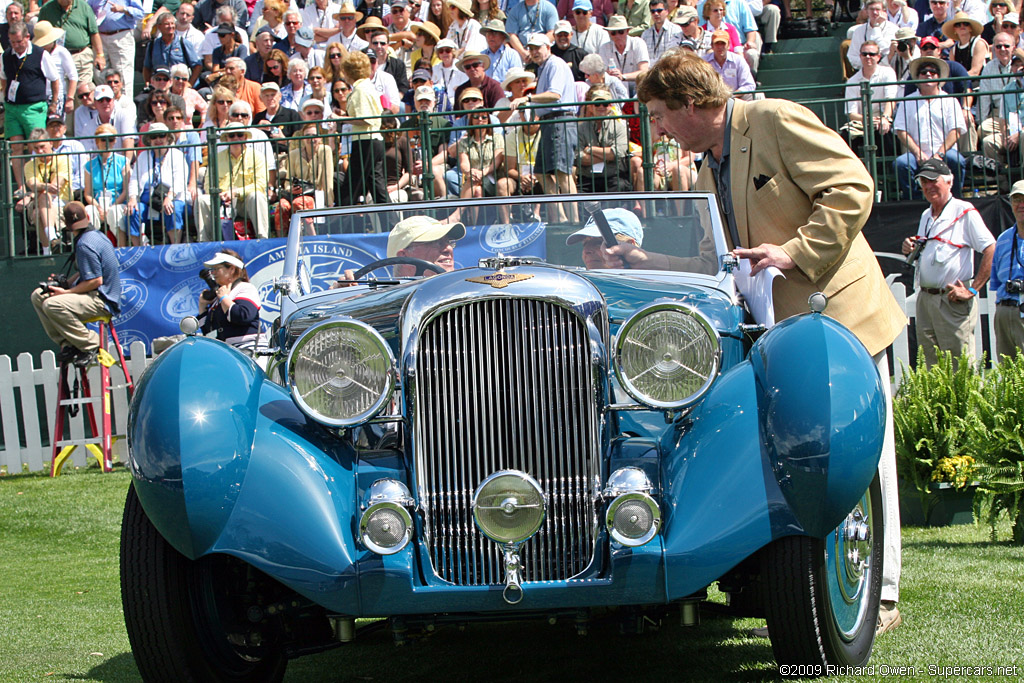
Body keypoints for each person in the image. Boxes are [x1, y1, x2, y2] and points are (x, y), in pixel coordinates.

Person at [632, 52, 907, 634]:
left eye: (658, 115)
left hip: (843, 321)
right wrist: (640, 260)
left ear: (689, 104)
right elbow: (722, 264)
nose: (655, 129)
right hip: (777, 337)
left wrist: (796, 252)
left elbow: (854, 186)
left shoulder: (775, 119)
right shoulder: (706, 171)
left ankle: (878, 595)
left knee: (865, 458)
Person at [901, 157, 995, 367]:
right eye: (923, 182)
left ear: (949, 181)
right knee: (931, 366)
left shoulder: (964, 211)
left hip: (951, 300)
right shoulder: (927, 214)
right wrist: (910, 246)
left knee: (960, 367)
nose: (928, 186)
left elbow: (991, 247)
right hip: (926, 299)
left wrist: (973, 290)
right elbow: (926, 247)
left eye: (933, 181)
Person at [31, 201, 121, 369]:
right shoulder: (96, 236)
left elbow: (95, 281)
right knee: (38, 295)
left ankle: (90, 344)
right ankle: (68, 343)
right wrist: (67, 283)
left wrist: (65, 293)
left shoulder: (84, 244)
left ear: (66, 224)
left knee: (52, 304)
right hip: (95, 294)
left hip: (102, 300)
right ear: (87, 217)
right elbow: (89, 271)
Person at [511, 33, 578, 220]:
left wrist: (528, 98)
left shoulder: (555, 64)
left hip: (560, 121)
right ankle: (563, 219)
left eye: (537, 48)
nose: (533, 52)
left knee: (563, 174)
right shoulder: (544, 67)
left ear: (548, 48)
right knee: (541, 172)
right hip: (550, 122)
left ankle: (575, 220)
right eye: (531, 48)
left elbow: (555, 95)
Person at [893, 56, 967, 199]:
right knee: (901, 163)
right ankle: (913, 201)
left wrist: (940, 154)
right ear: (917, 77)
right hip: (916, 155)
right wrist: (918, 152)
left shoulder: (950, 100)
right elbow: (901, 130)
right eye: (924, 72)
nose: (928, 74)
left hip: (945, 153)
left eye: (933, 72)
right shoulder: (907, 101)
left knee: (957, 160)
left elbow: (956, 130)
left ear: (939, 77)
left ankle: (956, 198)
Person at [2, 22, 61, 191]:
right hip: (13, 107)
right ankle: (22, 186)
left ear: (27, 37)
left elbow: (54, 79)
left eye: (19, 41)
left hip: (34, 106)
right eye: (12, 42)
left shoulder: (40, 54)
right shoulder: (6, 56)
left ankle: (40, 184)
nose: (16, 45)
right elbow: (3, 77)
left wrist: (54, 102)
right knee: (16, 147)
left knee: (37, 146)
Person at [332, 215, 466, 285]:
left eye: (449, 242)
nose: (448, 248)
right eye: (436, 242)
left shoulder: (468, 291)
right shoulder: (380, 301)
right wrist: (342, 296)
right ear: (404, 256)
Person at [197, 122, 270, 240]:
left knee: (257, 196)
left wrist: (237, 193)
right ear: (226, 139)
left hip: (245, 202)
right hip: (222, 203)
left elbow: (261, 184)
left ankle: (263, 240)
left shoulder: (258, 156)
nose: (236, 138)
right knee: (202, 200)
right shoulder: (216, 157)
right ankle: (205, 243)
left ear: (246, 137)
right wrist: (221, 195)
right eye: (232, 136)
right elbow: (208, 184)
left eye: (240, 135)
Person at [336, 50, 389, 205]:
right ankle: (391, 221)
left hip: (365, 142)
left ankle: (340, 221)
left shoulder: (360, 90)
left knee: (351, 185)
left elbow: (366, 120)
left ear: (348, 72)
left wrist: (341, 118)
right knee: (376, 186)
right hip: (372, 141)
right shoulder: (367, 87)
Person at [127, 124, 189, 244]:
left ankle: (175, 247)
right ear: (150, 140)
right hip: (146, 199)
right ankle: (138, 249)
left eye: (162, 135)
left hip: (172, 197)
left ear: (168, 138)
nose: (158, 140)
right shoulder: (143, 156)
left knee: (172, 208)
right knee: (133, 210)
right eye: (154, 137)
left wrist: (169, 197)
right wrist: (132, 198)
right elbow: (134, 179)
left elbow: (180, 180)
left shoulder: (176, 155)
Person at [198, 250, 264, 354]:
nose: (213, 273)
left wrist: (224, 298)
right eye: (212, 269)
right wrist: (202, 305)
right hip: (228, 352)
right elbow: (208, 331)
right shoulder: (220, 296)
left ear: (232, 269)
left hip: (249, 351)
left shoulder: (245, 288)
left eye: (217, 269)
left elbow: (243, 316)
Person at [19, 128, 72, 254]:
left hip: (61, 201)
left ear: (51, 143)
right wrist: (45, 187)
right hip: (38, 201)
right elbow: (32, 184)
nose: (40, 151)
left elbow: (58, 183)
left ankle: (47, 251)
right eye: (36, 148)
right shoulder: (29, 165)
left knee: (39, 212)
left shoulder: (62, 159)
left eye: (42, 146)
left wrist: (42, 186)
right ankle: (53, 237)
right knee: (43, 196)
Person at [843, 39, 899, 156]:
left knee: (885, 131)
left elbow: (890, 100)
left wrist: (885, 118)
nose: (868, 57)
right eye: (864, 54)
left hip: (884, 119)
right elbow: (851, 113)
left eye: (872, 54)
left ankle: (884, 170)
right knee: (845, 135)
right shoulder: (852, 81)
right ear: (860, 56)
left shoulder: (888, 73)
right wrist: (870, 120)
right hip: (863, 121)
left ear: (878, 57)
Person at [989, 180, 1024, 358]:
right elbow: (997, 282)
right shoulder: (1003, 239)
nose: (1021, 205)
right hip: (1004, 312)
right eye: (1016, 200)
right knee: (1008, 373)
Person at [37, 0, 105, 87]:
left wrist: (100, 55)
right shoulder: (47, 8)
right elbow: (41, 33)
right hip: (57, 57)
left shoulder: (84, 7)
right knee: (61, 90)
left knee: (83, 90)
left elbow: (94, 33)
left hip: (80, 56)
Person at [577, 85, 630, 193]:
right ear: (591, 107)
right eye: (597, 104)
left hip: (613, 176)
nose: (601, 107)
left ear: (610, 106)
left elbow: (617, 153)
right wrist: (607, 156)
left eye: (605, 104)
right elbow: (577, 156)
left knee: (621, 186)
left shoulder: (619, 127)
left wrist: (591, 150)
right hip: (588, 178)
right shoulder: (581, 128)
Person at [83, 122, 130, 245]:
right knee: (89, 211)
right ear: (97, 142)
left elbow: (126, 190)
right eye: (103, 139)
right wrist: (98, 207)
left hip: (118, 203)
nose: (107, 143)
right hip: (98, 204)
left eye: (111, 139)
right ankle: (94, 249)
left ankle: (121, 250)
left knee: (115, 213)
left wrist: (112, 206)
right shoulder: (89, 165)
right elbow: (87, 193)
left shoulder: (123, 161)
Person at [978, 35, 1021, 161]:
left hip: (1019, 113)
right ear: (993, 49)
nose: (1002, 49)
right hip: (999, 115)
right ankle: (1000, 177)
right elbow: (984, 98)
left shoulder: (1020, 65)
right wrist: (982, 118)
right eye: (998, 46)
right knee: (983, 127)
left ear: (1013, 47)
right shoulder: (989, 67)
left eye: (1006, 46)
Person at [90, 0, 143, 99]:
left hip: (121, 36)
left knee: (123, 78)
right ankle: (106, 108)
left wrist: (123, 9)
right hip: (100, 38)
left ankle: (125, 110)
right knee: (99, 76)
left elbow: (140, 13)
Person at [566, 207, 643, 269]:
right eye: (585, 243)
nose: (586, 251)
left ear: (630, 245)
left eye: (599, 243)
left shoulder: (650, 285)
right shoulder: (576, 286)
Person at [145, 10, 202, 84]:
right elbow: (146, 67)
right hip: (160, 84)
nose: (170, 26)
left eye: (172, 23)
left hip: (179, 84)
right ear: (159, 26)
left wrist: (190, 84)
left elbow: (198, 66)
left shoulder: (183, 43)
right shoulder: (153, 45)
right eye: (167, 24)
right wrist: (148, 82)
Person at [598, 15, 650, 90]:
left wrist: (623, 76)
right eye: (613, 33)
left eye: (621, 32)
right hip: (614, 88)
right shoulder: (604, 47)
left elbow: (644, 71)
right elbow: (603, 74)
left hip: (637, 88)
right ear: (609, 33)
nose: (617, 36)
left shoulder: (638, 43)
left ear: (627, 32)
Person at [703, 28, 755, 97]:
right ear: (712, 46)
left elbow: (749, 85)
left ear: (728, 45)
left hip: (736, 98)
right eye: (717, 43)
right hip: (711, 100)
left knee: (756, 96)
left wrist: (732, 96)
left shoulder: (738, 60)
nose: (720, 47)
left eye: (723, 43)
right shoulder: (703, 62)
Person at [847, 0, 899, 70]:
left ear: (884, 11)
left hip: (887, 70)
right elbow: (852, 56)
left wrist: (876, 27)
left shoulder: (893, 29)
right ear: (867, 11)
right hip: (864, 71)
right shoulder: (858, 31)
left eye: (877, 9)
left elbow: (884, 50)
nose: (874, 12)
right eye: (871, 9)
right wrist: (867, 65)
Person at [481, 18, 523, 84]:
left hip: (506, 93)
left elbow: (517, 79)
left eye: (495, 33)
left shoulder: (512, 55)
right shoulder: (481, 56)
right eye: (488, 33)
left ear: (503, 36)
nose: (491, 37)